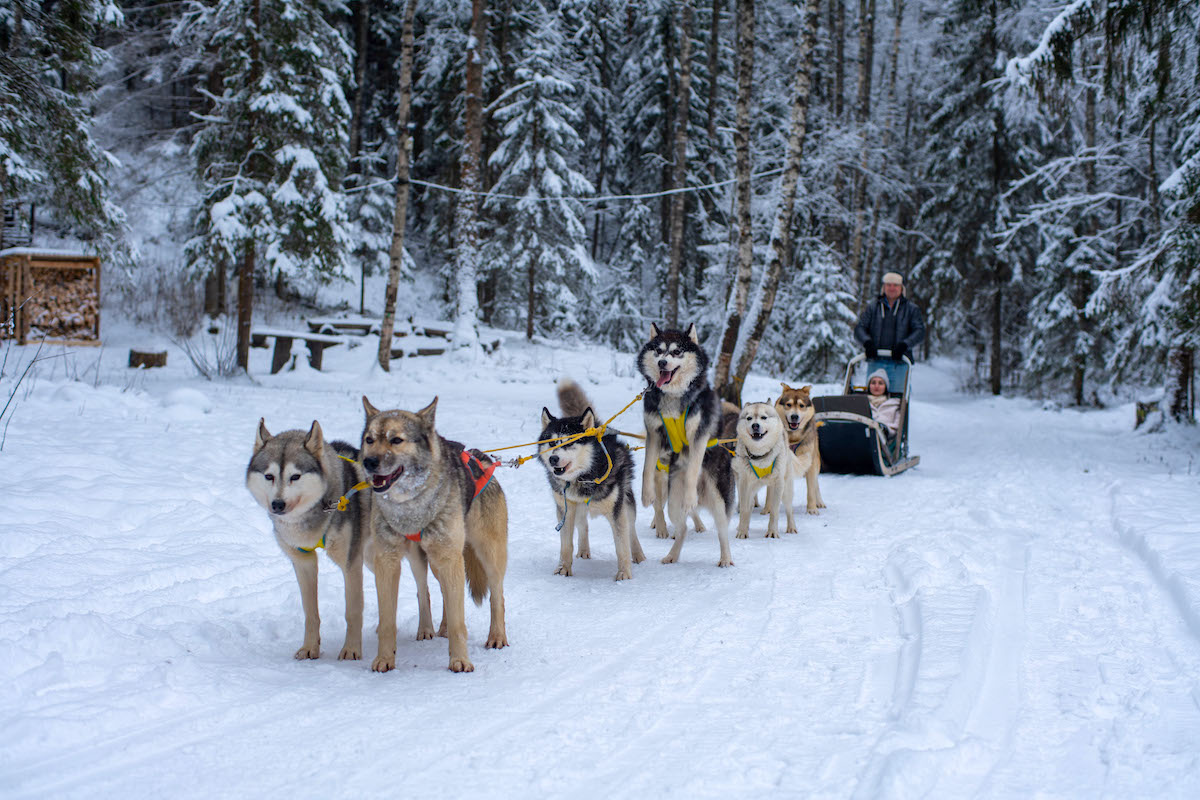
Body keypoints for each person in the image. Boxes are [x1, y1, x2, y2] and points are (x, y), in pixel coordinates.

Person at [854, 272, 925, 362]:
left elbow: (919, 331)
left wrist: (905, 345)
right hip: (875, 361)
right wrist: (867, 342)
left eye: (895, 285)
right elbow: (860, 328)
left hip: (901, 361)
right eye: (888, 285)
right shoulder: (873, 307)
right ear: (884, 287)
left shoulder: (911, 309)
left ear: (901, 288)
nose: (892, 288)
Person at [865, 368, 901, 438]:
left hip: (883, 439)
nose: (876, 386)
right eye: (873, 383)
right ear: (869, 386)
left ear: (885, 387)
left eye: (880, 383)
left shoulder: (894, 405)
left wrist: (884, 429)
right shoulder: (861, 403)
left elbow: (895, 429)